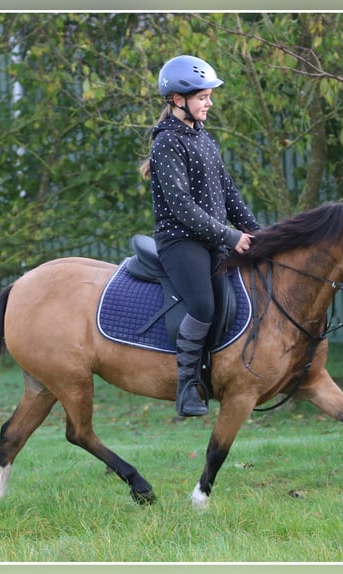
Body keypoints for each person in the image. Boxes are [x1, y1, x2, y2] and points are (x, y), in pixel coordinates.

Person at [139, 55, 262, 417]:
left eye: (209, 96)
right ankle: (187, 386)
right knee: (203, 305)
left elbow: (228, 193)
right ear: (179, 100)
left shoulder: (204, 139)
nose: (209, 103)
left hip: (211, 239)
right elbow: (181, 206)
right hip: (180, 240)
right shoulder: (166, 143)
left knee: (232, 295)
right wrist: (229, 236)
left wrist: (258, 232)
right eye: (203, 97)